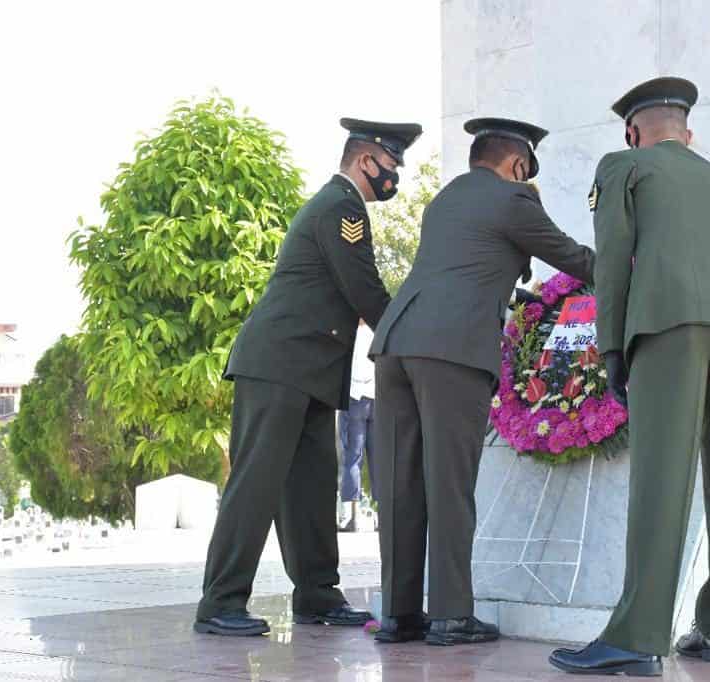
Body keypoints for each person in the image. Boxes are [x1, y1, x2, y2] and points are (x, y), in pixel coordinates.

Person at [548, 77, 710, 676]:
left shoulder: (623, 165)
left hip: (673, 322)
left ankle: (636, 637)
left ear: (633, 130)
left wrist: (612, 346)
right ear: (687, 131)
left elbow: (614, 256)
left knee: (661, 480)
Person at [370, 118, 596, 646]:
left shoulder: (444, 200)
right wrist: (636, 269)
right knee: (448, 482)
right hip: (451, 351)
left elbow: (465, 270)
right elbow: (574, 259)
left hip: (395, 343)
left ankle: (400, 614)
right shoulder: (513, 202)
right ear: (519, 165)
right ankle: (450, 614)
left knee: (401, 485)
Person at [195, 118, 422, 636]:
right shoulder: (343, 207)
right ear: (366, 162)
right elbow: (364, 290)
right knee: (256, 484)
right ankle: (220, 602)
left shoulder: (338, 205)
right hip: (280, 365)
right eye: (390, 167)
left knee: (312, 488)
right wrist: (413, 342)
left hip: (311, 372)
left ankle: (318, 595)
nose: (393, 178)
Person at [338, 319, 377, 532]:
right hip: (376, 400)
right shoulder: (377, 332)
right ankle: (381, 514)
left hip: (353, 400)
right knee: (378, 459)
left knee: (352, 458)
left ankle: (351, 517)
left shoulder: (349, 334)